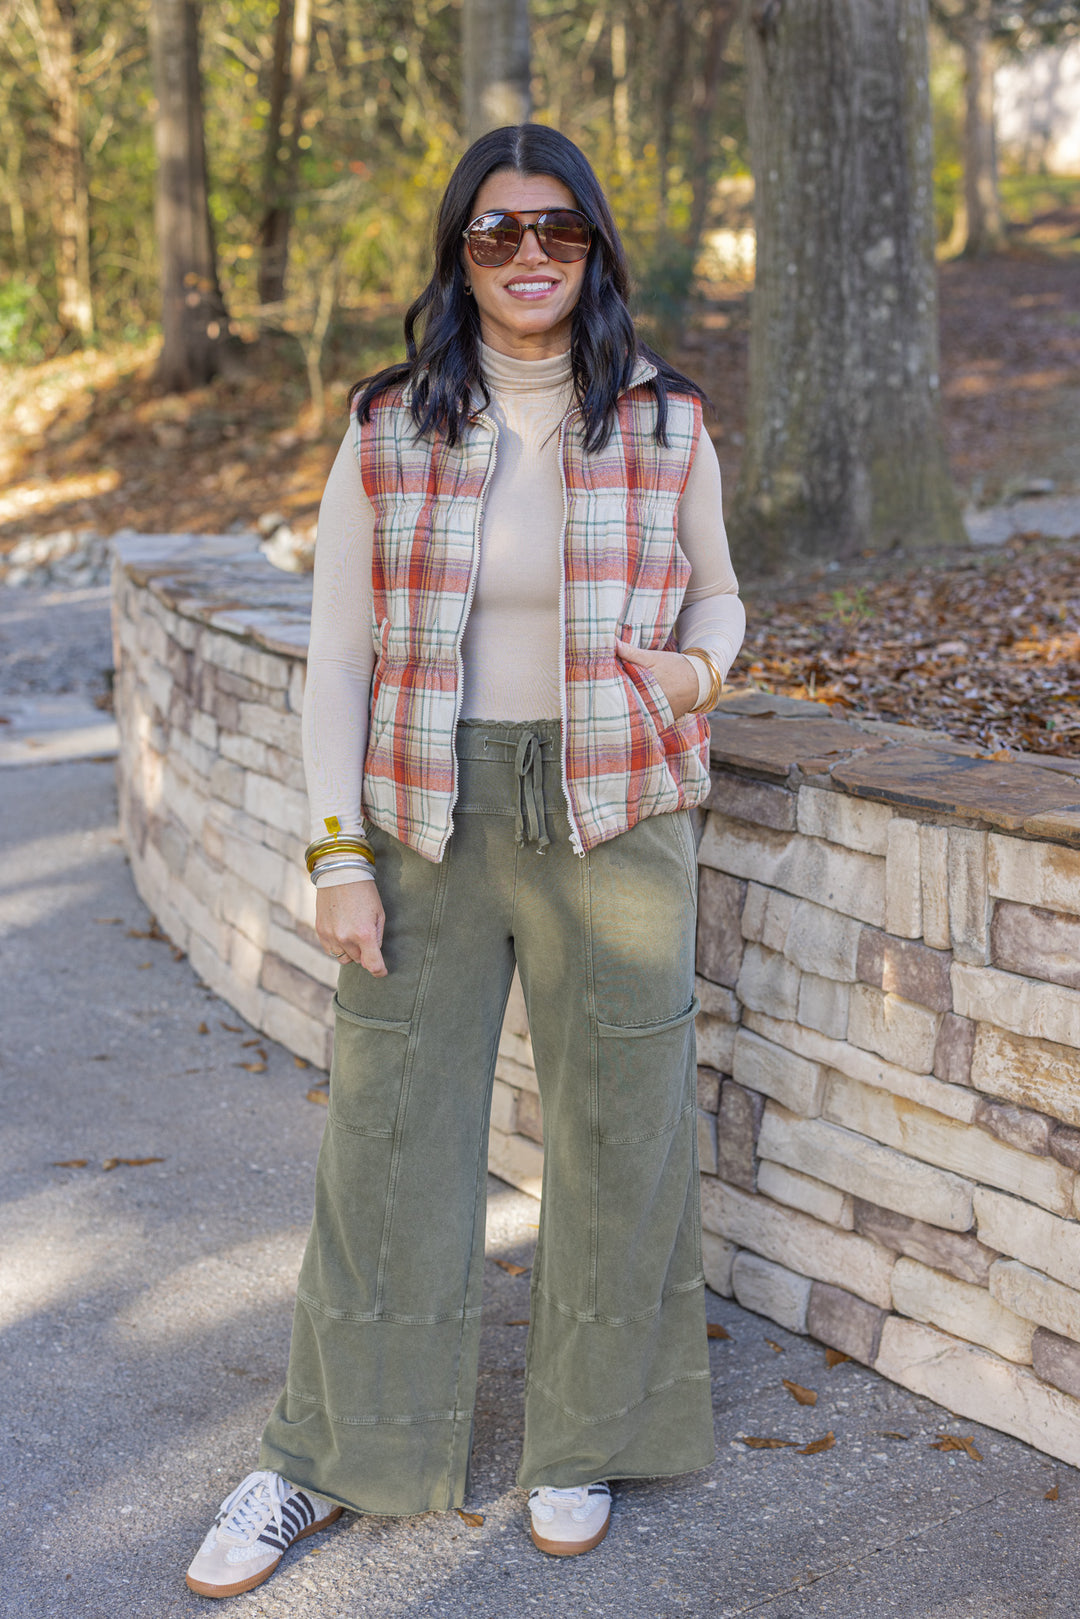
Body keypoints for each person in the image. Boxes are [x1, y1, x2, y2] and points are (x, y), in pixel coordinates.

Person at [185, 122, 745, 1601]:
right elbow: (338, 664)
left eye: (555, 229)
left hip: (616, 813)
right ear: (459, 253)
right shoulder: (386, 427)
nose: (528, 256)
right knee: (385, 1144)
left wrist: (691, 679)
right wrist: (334, 855)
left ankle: (584, 1437)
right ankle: (323, 1454)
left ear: (595, 247)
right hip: (422, 820)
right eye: (496, 232)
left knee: (619, 1138)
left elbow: (727, 602)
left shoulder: (667, 419)